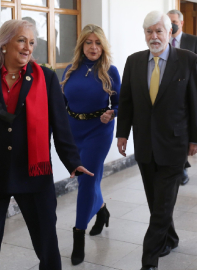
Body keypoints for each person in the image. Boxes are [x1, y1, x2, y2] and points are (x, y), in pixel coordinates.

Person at [0, 20, 93, 270]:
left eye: (31, 42)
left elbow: (61, 125)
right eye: (21, 40)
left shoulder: (46, 78)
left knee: (46, 242)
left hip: (33, 173)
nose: (27, 47)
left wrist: (73, 162)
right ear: (4, 43)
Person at [116, 10, 197, 270]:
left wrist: (196, 138)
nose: (154, 37)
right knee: (157, 201)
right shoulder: (133, 62)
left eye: (159, 31)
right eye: (149, 32)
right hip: (144, 144)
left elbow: (195, 102)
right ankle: (171, 237)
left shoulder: (188, 60)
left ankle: (149, 261)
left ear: (170, 33)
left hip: (174, 145)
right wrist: (122, 133)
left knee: (163, 204)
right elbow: (127, 101)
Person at [61, 24, 120, 265]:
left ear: (103, 46)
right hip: (73, 131)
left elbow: (121, 102)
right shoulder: (69, 70)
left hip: (99, 131)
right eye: (88, 42)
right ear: (81, 45)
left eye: (97, 43)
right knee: (89, 179)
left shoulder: (110, 71)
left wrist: (112, 113)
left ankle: (78, 237)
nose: (93, 47)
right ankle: (102, 209)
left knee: (86, 181)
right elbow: (60, 102)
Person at [167, 9, 197, 185]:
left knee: (184, 130)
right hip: (168, 95)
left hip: (187, 92)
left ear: (181, 23)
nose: (172, 24)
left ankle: (182, 166)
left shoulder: (193, 41)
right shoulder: (163, 38)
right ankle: (177, 165)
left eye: (174, 21)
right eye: (169, 21)